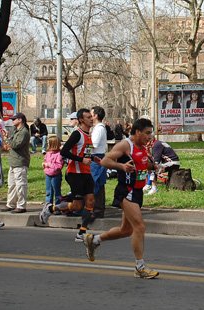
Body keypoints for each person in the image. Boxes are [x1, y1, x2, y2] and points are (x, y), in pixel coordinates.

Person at [83, 118, 159, 279]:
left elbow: (141, 165)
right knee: (140, 227)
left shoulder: (142, 146)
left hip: (137, 192)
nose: (149, 136)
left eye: (151, 133)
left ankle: (94, 239)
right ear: (137, 132)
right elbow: (105, 160)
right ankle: (140, 267)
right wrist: (122, 167)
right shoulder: (126, 145)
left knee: (126, 231)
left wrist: (154, 166)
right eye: (147, 133)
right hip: (126, 190)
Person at [39, 108, 95, 242]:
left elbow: (84, 153)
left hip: (86, 173)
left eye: (91, 117)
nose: (91, 119)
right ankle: (51, 208)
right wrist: (82, 160)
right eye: (88, 117)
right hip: (75, 173)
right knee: (76, 206)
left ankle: (81, 233)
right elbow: (63, 152)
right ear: (81, 120)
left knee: (91, 201)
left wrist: (92, 158)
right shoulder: (77, 134)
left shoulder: (89, 134)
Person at [2, 112, 30, 213]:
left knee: (20, 185)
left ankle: (21, 205)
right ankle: (11, 204)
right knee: (12, 185)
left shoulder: (24, 132)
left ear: (20, 120)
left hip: (20, 161)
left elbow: (15, 144)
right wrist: (8, 139)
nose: (12, 120)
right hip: (13, 161)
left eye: (14, 119)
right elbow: (10, 144)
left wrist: (6, 139)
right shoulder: (15, 130)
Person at [90, 106, 114, 221]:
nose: (90, 117)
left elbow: (93, 144)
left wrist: (84, 146)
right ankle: (97, 209)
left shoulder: (99, 129)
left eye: (91, 114)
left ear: (96, 115)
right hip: (96, 157)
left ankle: (97, 209)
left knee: (96, 184)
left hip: (97, 157)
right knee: (97, 184)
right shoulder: (98, 128)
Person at [42, 135, 64, 206]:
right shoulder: (48, 154)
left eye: (48, 143)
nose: (47, 144)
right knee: (48, 192)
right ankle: (48, 206)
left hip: (56, 175)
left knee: (57, 191)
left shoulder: (59, 155)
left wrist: (48, 164)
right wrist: (45, 165)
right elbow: (46, 161)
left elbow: (59, 166)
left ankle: (58, 206)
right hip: (48, 174)